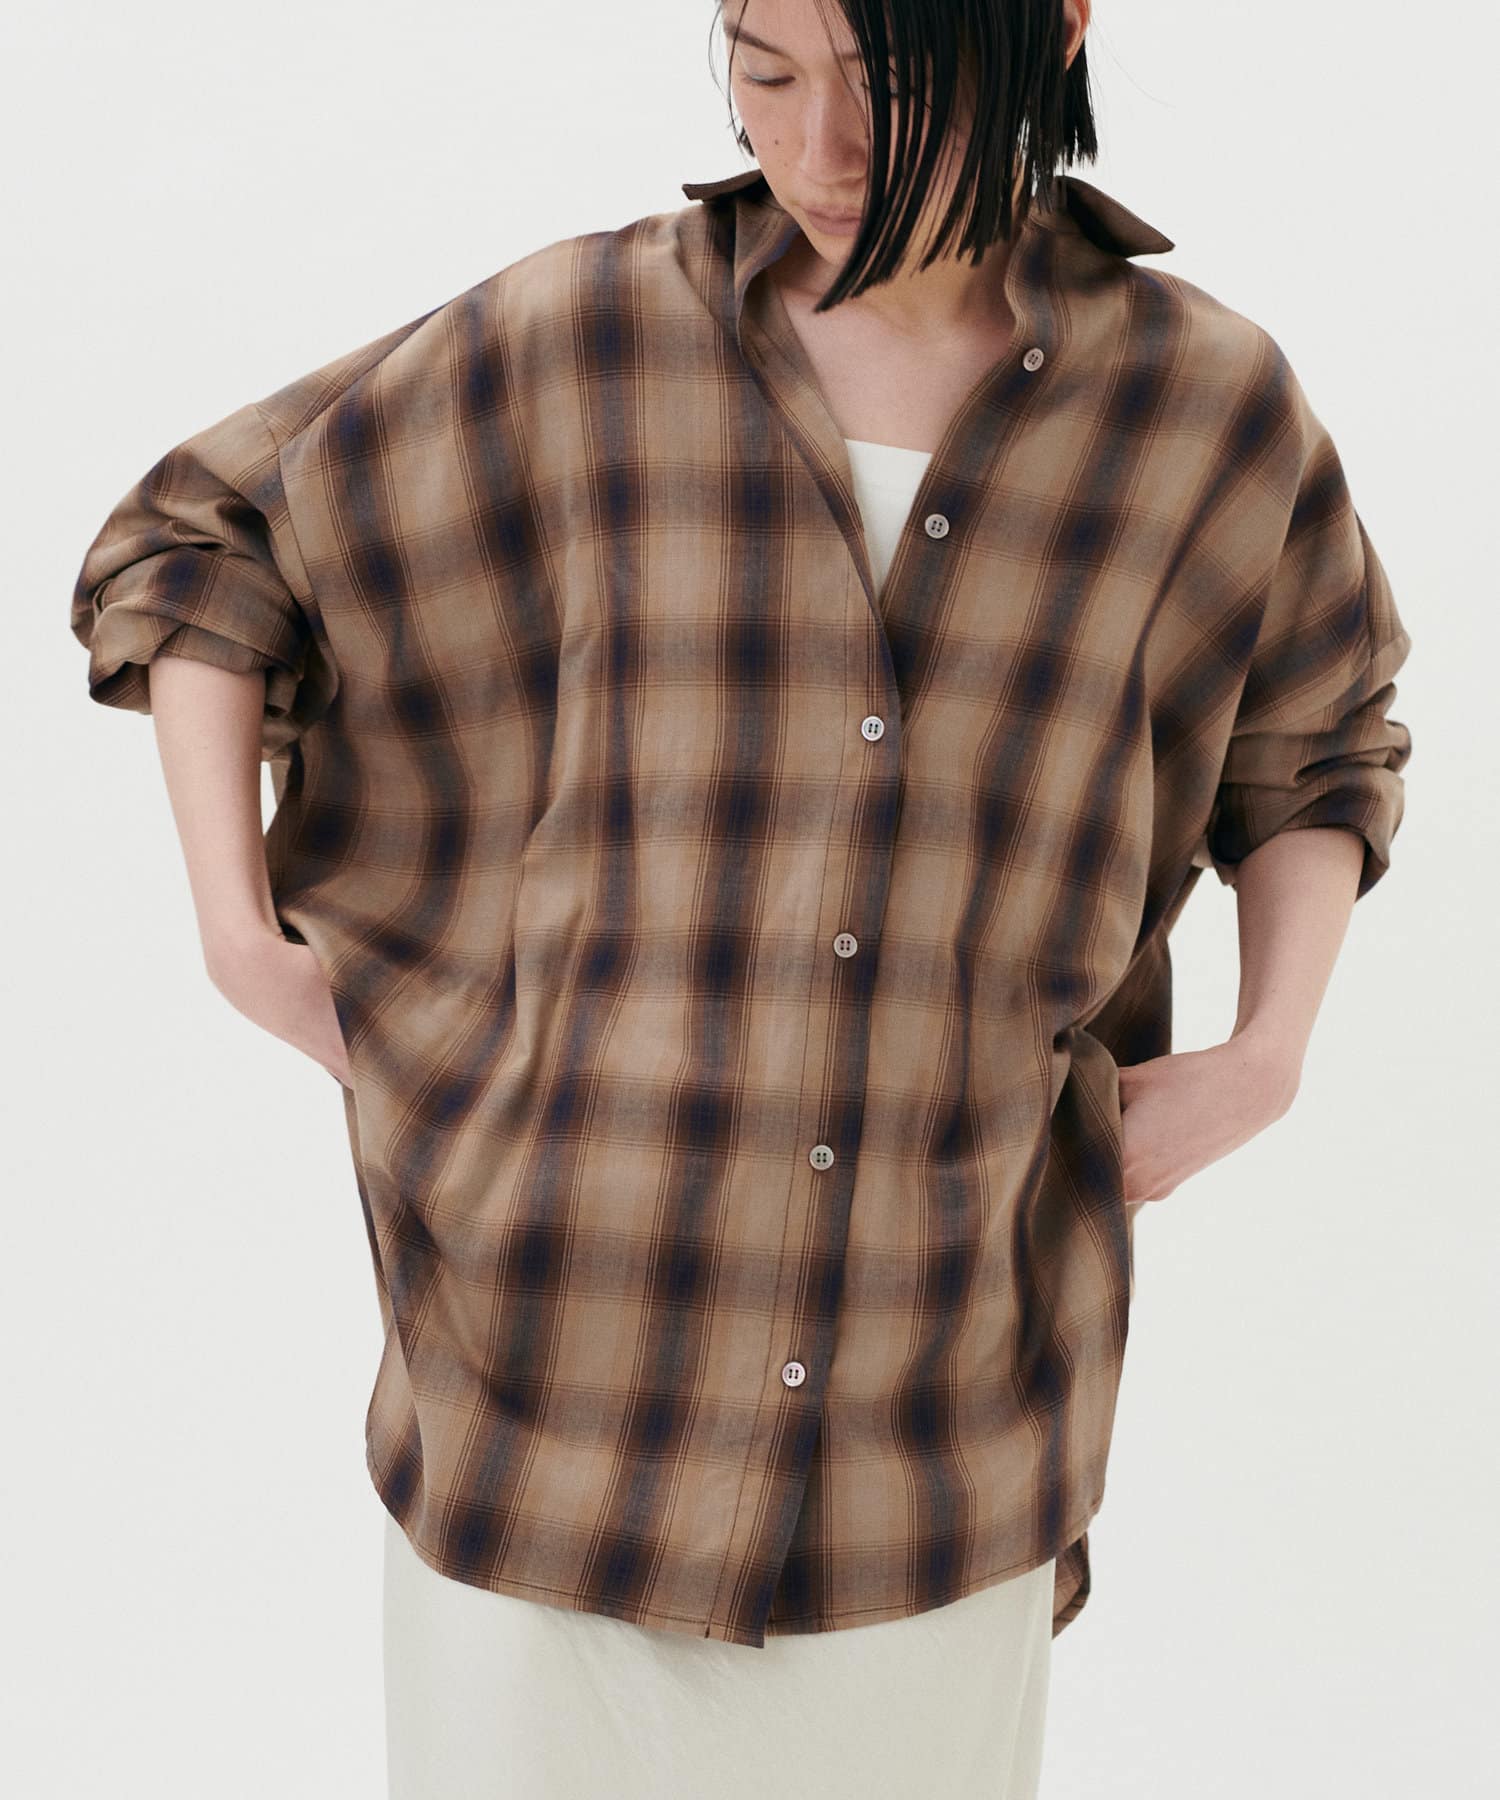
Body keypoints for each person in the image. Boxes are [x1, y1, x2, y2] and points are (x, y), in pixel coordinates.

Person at [69, 2, 1413, 1795]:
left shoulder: (1202, 406)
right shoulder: (587, 335)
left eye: (885, 80)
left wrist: (1269, 1052)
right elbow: (202, 544)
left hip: (937, 1411)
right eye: (763, 69)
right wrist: (240, 942)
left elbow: (1316, 739)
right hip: (549, 1373)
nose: (817, 147)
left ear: (1055, 26)